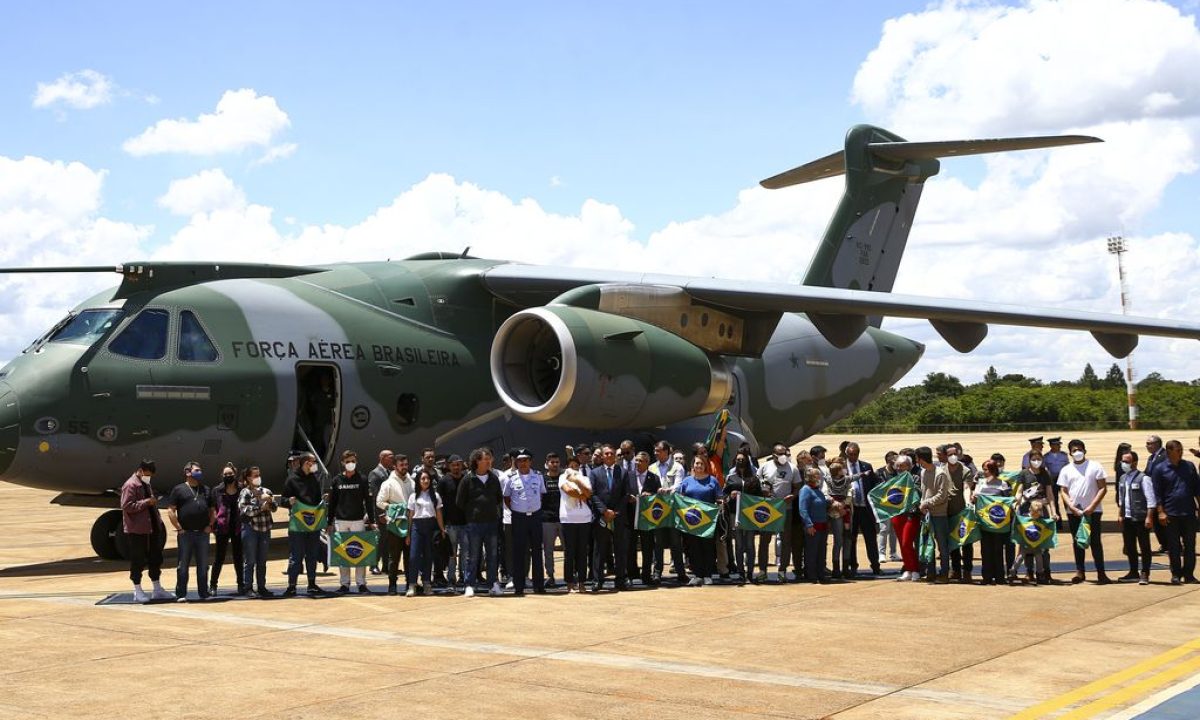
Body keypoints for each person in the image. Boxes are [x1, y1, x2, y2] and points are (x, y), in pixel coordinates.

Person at [1057, 439, 1111, 584]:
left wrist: (1092, 507)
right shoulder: (1066, 470)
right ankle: (1080, 571)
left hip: (1093, 511)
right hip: (1074, 512)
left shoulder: (1095, 466)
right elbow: (1063, 491)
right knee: (1077, 541)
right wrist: (1071, 507)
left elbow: (1102, 488)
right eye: (1074, 450)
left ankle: (1101, 573)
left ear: (1085, 450)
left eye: (1079, 449)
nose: (1077, 452)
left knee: (1095, 542)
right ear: (1070, 453)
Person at [121, 460, 173, 602]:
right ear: (140, 470)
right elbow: (127, 506)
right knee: (138, 559)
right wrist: (146, 502)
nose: (149, 477)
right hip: (137, 530)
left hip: (152, 528)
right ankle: (137, 590)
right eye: (147, 474)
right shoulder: (130, 485)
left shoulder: (145, 483)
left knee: (155, 558)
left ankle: (157, 589)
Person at [457, 448, 504, 597]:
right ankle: (469, 584)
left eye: (489, 458)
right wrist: (473, 513)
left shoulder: (493, 478)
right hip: (474, 524)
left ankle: (493, 584)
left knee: (492, 555)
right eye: (486, 459)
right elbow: (460, 502)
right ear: (477, 461)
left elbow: (498, 498)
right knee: (473, 555)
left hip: (491, 522)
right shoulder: (467, 479)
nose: (489, 461)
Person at [1151, 440, 1200, 585]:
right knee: (1174, 546)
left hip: (1188, 512)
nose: (1180, 452)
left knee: (1190, 546)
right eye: (1177, 450)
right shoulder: (1160, 469)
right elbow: (1157, 494)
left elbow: (1197, 489)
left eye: (1181, 450)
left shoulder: (1189, 466)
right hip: (1170, 513)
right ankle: (1176, 574)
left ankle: (1189, 574)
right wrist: (1161, 512)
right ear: (1168, 452)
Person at [166, 461, 216, 601]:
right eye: (196, 470)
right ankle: (181, 594)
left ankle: (204, 593)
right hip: (185, 534)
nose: (199, 472)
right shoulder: (179, 489)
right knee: (183, 566)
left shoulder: (206, 489)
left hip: (202, 533)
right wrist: (179, 528)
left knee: (203, 565)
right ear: (188, 472)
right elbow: (171, 510)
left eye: (200, 470)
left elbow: (213, 510)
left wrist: (210, 525)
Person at [504, 448, 546, 596]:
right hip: (519, 517)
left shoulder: (538, 477)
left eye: (526, 460)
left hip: (535, 517)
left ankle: (539, 585)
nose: (523, 463)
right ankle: (519, 586)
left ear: (530, 461)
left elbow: (541, 495)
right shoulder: (511, 478)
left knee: (536, 550)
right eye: (520, 460)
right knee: (519, 552)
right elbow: (507, 498)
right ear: (516, 462)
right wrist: (517, 509)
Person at [588, 444, 630, 592]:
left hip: (618, 517)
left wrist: (615, 512)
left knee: (620, 549)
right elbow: (592, 494)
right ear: (602, 456)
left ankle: (620, 580)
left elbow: (626, 495)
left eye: (612, 453)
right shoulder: (594, 473)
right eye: (606, 454)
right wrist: (604, 511)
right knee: (599, 549)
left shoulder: (624, 473)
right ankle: (597, 581)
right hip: (602, 517)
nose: (609, 456)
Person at [676, 455, 724, 586]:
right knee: (693, 547)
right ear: (693, 465)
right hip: (691, 521)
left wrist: (720, 501)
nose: (699, 466)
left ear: (705, 466)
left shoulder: (712, 480)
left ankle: (708, 575)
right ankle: (697, 574)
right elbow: (680, 497)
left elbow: (719, 496)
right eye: (697, 463)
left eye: (701, 464)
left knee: (708, 547)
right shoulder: (686, 481)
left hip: (707, 521)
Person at [283, 452, 326, 596]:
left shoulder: (314, 479)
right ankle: (292, 585)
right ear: (304, 463)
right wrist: (289, 501)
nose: (314, 465)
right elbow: (283, 499)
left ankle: (312, 583)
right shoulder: (292, 479)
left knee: (312, 554)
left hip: (313, 524)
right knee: (296, 556)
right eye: (312, 462)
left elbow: (317, 500)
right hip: (298, 524)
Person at [757, 443, 800, 583]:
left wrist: (792, 496)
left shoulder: (792, 468)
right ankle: (762, 571)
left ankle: (782, 570)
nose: (783, 456)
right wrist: (762, 492)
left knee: (786, 540)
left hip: (785, 508)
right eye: (780, 454)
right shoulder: (765, 467)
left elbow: (797, 486)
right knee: (764, 540)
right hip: (768, 509)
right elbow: (757, 483)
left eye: (785, 454)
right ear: (774, 454)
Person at [1115, 449, 1155, 585]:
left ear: (1135, 463)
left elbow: (1151, 500)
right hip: (1127, 517)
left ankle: (1145, 572)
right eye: (1122, 461)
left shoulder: (1144, 478)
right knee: (1130, 546)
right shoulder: (1122, 478)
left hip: (1140, 518)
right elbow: (1121, 498)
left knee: (1144, 546)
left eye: (1126, 461)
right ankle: (1133, 572)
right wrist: (1120, 514)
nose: (1123, 464)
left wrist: (1149, 517)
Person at [1014, 450, 1055, 583]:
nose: (1036, 461)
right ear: (1029, 460)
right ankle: (1029, 571)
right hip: (1027, 511)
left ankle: (1044, 572)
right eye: (1034, 459)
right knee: (1027, 542)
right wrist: (1016, 502)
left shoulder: (1045, 474)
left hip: (1042, 510)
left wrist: (1054, 512)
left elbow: (1050, 494)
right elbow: (1019, 491)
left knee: (1043, 542)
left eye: (1039, 459)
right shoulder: (1024, 474)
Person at [377, 454, 415, 595]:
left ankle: (409, 584)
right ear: (395, 466)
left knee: (409, 556)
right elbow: (379, 501)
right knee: (394, 557)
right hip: (395, 524)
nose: (404, 467)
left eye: (406, 464)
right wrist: (393, 508)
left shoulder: (412, 482)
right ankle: (392, 585)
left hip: (410, 523)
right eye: (401, 465)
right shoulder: (388, 483)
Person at [406, 469, 446, 596]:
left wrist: (442, 529)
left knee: (429, 556)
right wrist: (408, 533)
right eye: (423, 479)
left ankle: (427, 583)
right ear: (418, 481)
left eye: (427, 478)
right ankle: (412, 584)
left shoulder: (435, 496)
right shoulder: (413, 496)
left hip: (431, 526)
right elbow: (410, 515)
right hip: (417, 527)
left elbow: (438, 514)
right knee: (414, 556)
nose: (425, 481)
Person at [238, 465, 276, 597]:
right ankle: (248, 587)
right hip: (251, 529)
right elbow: (244, 510)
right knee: (250, 560)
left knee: (262, 560)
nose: (258, 478)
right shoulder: (245, 492)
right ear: (248, 478)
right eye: (255, 476)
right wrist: (261, 507)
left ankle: (262, 587)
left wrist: (270, 502)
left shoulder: (266, 491)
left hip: (265, 529)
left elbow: (275, 507)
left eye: (259, 475)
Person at [650, 441, 685, 583]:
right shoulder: (652, 467)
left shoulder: (677, 467)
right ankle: (657, 572)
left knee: (676, 542)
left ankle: (680, 572)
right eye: (655, 451)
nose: (656, 453)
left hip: (673, 511)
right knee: (657, 542)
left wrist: (668, 490)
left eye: (658, 451)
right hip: (657, 511)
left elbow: (679, 485)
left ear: (666, 452)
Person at [915, 447, 950, 584]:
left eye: (917, 458)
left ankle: (944, 573)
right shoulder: (923, 472)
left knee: (942, 545)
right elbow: (924, 491)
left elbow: (942, 495)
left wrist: (927, 503)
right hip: (927, 514)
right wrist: (922, 504)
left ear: (921, 458)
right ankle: (931, 572)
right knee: (928, 544)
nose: (916, 461)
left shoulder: (940, 474)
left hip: (939, 514)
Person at [844, 442, 880, 576]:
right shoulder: (842, 467)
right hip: (851, 509)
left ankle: (875, 565)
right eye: (850, 454)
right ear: (846, 454)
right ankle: (852, 566)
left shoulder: (866, 466)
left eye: (855, 454)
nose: (853, 457)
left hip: (865, 508)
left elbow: (875, 483)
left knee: (870, 538)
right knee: (850, 538)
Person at [723, 451, 759, 583]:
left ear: (747, 461)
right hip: (735, 514)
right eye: (737, 460)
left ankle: (750, 572)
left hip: (750, 515)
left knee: (750, 544)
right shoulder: (731, 477)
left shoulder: (754, 478)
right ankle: (740, 573)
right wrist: (729, 496)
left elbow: (759, 498)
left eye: (742, 459)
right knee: (738, 544)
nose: (740, 462)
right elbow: (723, 496)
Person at [209, 463, 244, 595]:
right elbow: (213, 508)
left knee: (238, 557)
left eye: (230, 474)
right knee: (219, 557)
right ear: (222, 476)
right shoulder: (217, 490)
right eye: (225, 474)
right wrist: (213, 524)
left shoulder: (241, 488)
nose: (228, 476)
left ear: (235, 474)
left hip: (237, 527)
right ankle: (213, 585)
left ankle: (241, 584)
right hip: (222, 527)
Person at [436, 454, 469, 591]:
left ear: (462, 465)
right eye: (453, 464)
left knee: (465, 553)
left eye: (458, 464)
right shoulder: (443, 481)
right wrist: (442, 526)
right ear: (448, 466)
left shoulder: (466, 479)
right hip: (450, 524)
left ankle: (464, 578)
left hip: (465, 523)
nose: (456, 467)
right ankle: (451, 579)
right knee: (452, 553)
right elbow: (438, 503)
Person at [559, 461, 593, 593]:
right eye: (570, 466)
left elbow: (589, 493)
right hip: (568, 519)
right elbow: (569, 491)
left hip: (584, 519)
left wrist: (576, 481)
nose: (573, 468)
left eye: (576, 466)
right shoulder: (563, 477)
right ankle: (569, 582)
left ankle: (582, 582)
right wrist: (583, 495)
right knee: (569, 552)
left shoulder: (585, 478)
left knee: (582, 552)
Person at [976, 460, 1011, 586]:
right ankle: (987, 577)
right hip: (984, 522)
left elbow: (1008, 501)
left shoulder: (1003, 484)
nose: (984, 472)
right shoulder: (980, 484)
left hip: (998, 523)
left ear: (992, 470)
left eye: (986, 469)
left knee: (998, 550)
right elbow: (975, 498)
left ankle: (1000, 577)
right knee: (985, 550)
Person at [629, 451, 662, 585]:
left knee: (647, 547)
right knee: (630, 547)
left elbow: (659, 498)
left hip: (647, 519)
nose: (637, 463)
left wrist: (651, 495)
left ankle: (646, 575)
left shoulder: (654, 478)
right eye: (636, 460)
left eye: (640, 461)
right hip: (631, 516)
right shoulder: (628, 476)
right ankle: (631, 573)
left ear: (647, 463)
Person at [945, 448, 976, 583]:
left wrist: (968, 501)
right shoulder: (941, 470)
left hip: (963, 512)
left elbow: (967, 487)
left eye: (955, 454)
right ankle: (955, 570)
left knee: (966, 542)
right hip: (947, 511)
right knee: (953, 543)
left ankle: (967, 571)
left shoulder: (965, 470)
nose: (952, 456)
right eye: (950, 454)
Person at [890, 455, 922, 582]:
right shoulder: (893, 479)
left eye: (902, 465)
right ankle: (908, 569)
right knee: (902, 545)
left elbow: (919, 492)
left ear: (909, 466)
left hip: (911, 514)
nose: (899, 468)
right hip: (897, 514)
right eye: (897, 465)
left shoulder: (915, 478)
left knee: (907, 542)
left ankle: (916, 570)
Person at [797, 468, 829, 584]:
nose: (819, 478)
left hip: (823, 525)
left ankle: (821, 573)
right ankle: (812, 575)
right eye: (817, 476)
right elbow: (803, 509)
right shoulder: (806, 490)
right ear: (810, 477)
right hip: (813, 526)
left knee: (821, 551)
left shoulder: (818, 490)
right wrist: (809, 524)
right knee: (812, 551)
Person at [367, 450, 395, 577]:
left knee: (387, 539)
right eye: (390, 457)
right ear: (383, 458)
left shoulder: (390, 473)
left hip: (390, 511)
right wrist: (380, 514)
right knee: (379, 540)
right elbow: (375, 496)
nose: (392, 459)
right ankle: (373, 565)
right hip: (380, 512)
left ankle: (386, 565)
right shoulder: (375, 474)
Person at [539, 452, 564, 588]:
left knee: (569, 549)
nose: (555, 465)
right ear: (547, 464)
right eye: (552, 462)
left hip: (564, 519)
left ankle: (571, 575)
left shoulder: (564, 478)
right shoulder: (542, 479)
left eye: (557, 462)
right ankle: (550, 576)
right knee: (548, 550)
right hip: (547, 519)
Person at [1144, 435, 1169, 553]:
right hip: (1153, 493)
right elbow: (1147, 473)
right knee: (1157, 523)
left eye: (1149, 443)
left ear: (1157, 444)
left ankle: (1173, 545)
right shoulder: (1151, 458)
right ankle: (1164, 544)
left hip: (1163, 494)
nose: (1147, 446)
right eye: (1147, 443)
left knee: (1166, 522)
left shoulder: (1165, 456)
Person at [875, 451, 901, 562]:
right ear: (888, 461)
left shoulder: (898, 473)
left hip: (895, 505)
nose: (896, 464)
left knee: (894, 530)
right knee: (883, 529)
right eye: (893, 461)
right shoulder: (879, 473)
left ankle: (893, 552)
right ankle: (881, 553)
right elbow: (877, 488)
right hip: (883, 505)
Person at [1043, 437, 1069, 519]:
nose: (1059, 446)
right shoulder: (1046, 457)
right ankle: (1058, 520)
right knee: (1054, 500)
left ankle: (1070, 516)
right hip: (1052, 480)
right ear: (1051, 446)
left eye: (1059, 444)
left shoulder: (1064, 455)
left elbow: (1068, 466)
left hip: (1064, 480)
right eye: (1057, 444)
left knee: (1067, 499)